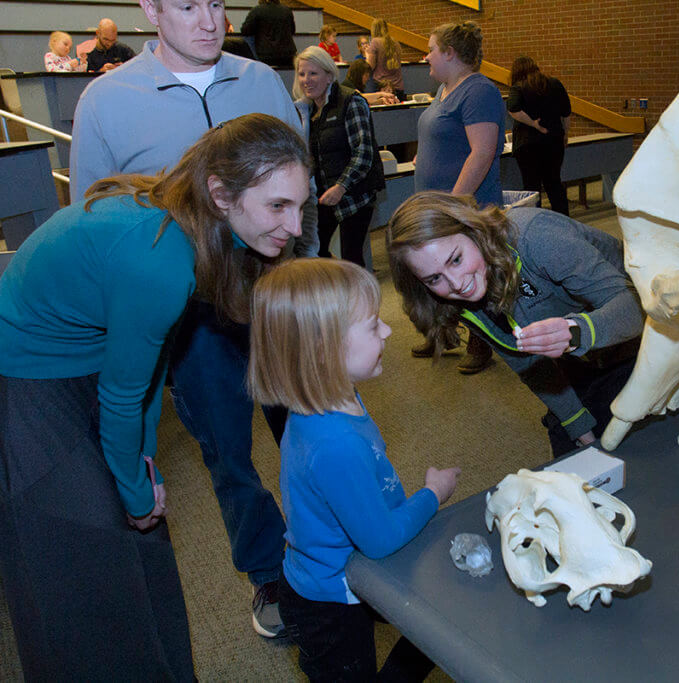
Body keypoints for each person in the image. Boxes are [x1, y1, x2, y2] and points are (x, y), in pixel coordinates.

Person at [0, 114, 310, 681]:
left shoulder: (195, 232)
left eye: (299, 206)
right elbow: (124, 393)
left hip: (87, 355)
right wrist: (138, 494)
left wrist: (142, 465)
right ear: (220, 194)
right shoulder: (162, 262)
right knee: (85, 551)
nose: (293, 226)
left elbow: (149, 373)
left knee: (139, 526)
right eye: (277, 207)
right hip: (25, 373)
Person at [70, 0, 319, 639]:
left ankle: (334, 545)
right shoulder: (105, 100)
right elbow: (94, 222)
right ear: (150, 8)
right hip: (191, 315)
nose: (209, 20)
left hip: (274, 293)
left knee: (315, 425)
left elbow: (301, 191)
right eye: (187, 5)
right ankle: (269, 572)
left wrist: (310, 279)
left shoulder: (263, 80)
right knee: (228, 452)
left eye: (217, 3)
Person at [248, 257, 460, 682]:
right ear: (325, 351)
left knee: (434, 623)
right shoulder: (334, 443)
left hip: (354, 571)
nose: (387, 331)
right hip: (329, 603)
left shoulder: (339, 399)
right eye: (373, 325)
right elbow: (379, 541)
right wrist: (432, 494)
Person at [387, 191, 644, 457]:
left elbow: (637, 306)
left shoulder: (535, 235)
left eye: (456, 259)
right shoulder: (454, 298)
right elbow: (526, 361)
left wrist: (576, 333)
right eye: (433, 279)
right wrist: (577, 423)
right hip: (579, 356)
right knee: (570, 447)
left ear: (474, 232)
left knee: (631, 446)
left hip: (644, 340)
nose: (456, 284)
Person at [413, 20, 505, 373]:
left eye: (432, 49)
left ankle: (482, 343)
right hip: (438, 204)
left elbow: (481, 153)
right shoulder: (446, 89)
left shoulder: (478, 91)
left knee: (470, 275)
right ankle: (445, 333)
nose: (426, 57)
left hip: (465, 207)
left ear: (450, 53)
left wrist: (454, 205)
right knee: (438, 272)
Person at [294, 46, 386, 265]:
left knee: (351, 258)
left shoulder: (351, 102)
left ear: (329, 76)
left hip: (354, 194)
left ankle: (359, 298)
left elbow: (364, 153)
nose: (307, 80)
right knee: (314, 251)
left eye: (313, 73)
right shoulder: (307, 111)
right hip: (325, 195)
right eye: (302, 74)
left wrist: (341, 186)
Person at [508, 56, 572, 216]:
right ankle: (565, 221)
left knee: (531, 186)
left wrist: (533, 124)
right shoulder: (554, 83)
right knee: (554, 183)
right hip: (553, 140)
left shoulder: (518, 87)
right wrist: (564, 134)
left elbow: (513, 109)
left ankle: (534, 221)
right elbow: (566, 112)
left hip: (527, 144)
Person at [241, 0, 296, 68]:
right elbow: (292, 31)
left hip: (265, 55)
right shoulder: (287, 10)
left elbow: (245, 31)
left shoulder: (257, 10)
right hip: (288, 54)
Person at [365, 18, 405, 101]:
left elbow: (370, 66)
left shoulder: (375, 42)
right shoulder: (395, 42)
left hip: (382, 88)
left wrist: (367, 53)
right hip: (398, 87)